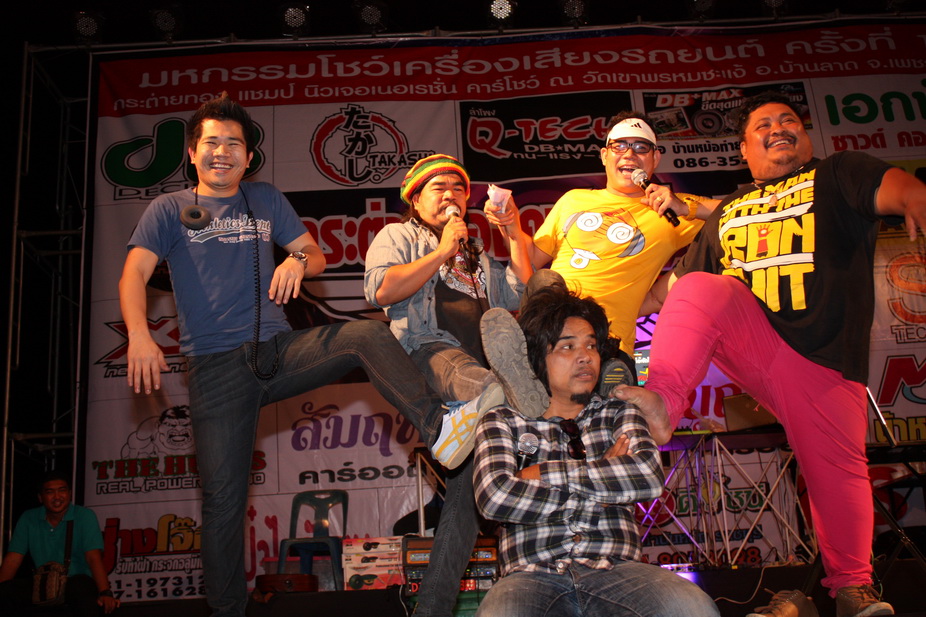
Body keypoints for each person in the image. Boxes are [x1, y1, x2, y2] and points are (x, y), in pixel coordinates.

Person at [118, 93, 489, 617]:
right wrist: (139, 334)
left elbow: (315, 254)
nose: (223, 152)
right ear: (193, 153)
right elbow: (133, 274)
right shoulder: (167, 209)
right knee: (223, 503)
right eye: (212, 143)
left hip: (276, 352)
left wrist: (296, 260)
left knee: (365, 336)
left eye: (234, 144)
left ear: (249, 157)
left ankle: (440, 430)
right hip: (215, 370)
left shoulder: (264, 199)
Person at [615, 91, 926, 617]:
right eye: (763, 124)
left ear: (804, 135)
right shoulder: (731, 207)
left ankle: (852, 590)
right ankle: (664, 403)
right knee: (698, 286)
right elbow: (671, 294)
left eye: (788, 121)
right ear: (743, 148)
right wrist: (605, 306)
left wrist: (916, 196)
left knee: (837, 470)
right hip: (760, 342)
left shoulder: (837, 173)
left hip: (826, 358)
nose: (778, 127)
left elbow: (895, 187)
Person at [364, 153, 549, 617]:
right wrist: (441, 251)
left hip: (481, 383)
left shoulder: (475, 252)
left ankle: (433, 608)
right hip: (428, 354)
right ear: (415, 199)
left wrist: (513, 232)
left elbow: (525, 291)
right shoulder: (399, 235)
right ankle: (505, 398)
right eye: (439, 188)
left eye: (459, 189)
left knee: (464, 502)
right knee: (487, 386)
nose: (451, 195)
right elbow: (381, 291)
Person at [472, 285, 720, 617]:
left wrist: (541, 473)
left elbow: (647, 477)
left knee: (693, 608)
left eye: (591, 345)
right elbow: (496, 498)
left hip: (618, 569)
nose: (585, 356)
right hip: (531, 574)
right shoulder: (503, 420)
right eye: (567, 346)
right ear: (538, 358)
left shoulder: (618, 412)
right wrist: (602, 482)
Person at [526, 112, 719, 363]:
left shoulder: (669, 207)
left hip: (609, 344)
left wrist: (686, 208)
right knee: (544, 281)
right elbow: (530, 263)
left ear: (655, 158)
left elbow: (744, 206)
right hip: (551, 334)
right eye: (619, 146)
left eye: (640, 147)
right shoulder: (573, 199)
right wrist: (510, 226)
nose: (629, 154)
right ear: (604, 155)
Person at [0, 470, 120, 616]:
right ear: (40, 497)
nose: (57, 497)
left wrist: (105, 592)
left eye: (62, 490)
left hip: (76, 582)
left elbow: (93, 557)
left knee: (82, 585)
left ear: (70, 494)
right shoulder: (28, 518)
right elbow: (13, 558)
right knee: (7, 592)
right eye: (50, 492)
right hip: (42, 583)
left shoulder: (84, 515)